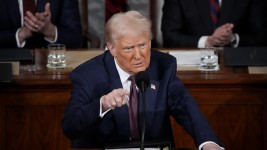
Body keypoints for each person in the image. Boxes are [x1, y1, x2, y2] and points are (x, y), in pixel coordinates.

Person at [62, 10, 224, 150]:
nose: (138, 55)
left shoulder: (163, 66)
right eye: (128, 48)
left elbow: (185, 105)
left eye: (142, 45)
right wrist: (102, 104)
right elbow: (70, 127)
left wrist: (208, 142)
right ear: (111, 48)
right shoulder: (88, 75)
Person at [161, 0, 267, 48]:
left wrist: (233, 38)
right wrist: (207, 41)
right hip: (192, 67)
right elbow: (170, 36)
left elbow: (262, 36)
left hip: (239, 68)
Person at [0, 0, 82, 48]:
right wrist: (21, 34)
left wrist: (50, 31)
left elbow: (76, 39)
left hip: (52, 65)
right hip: (7, 65)